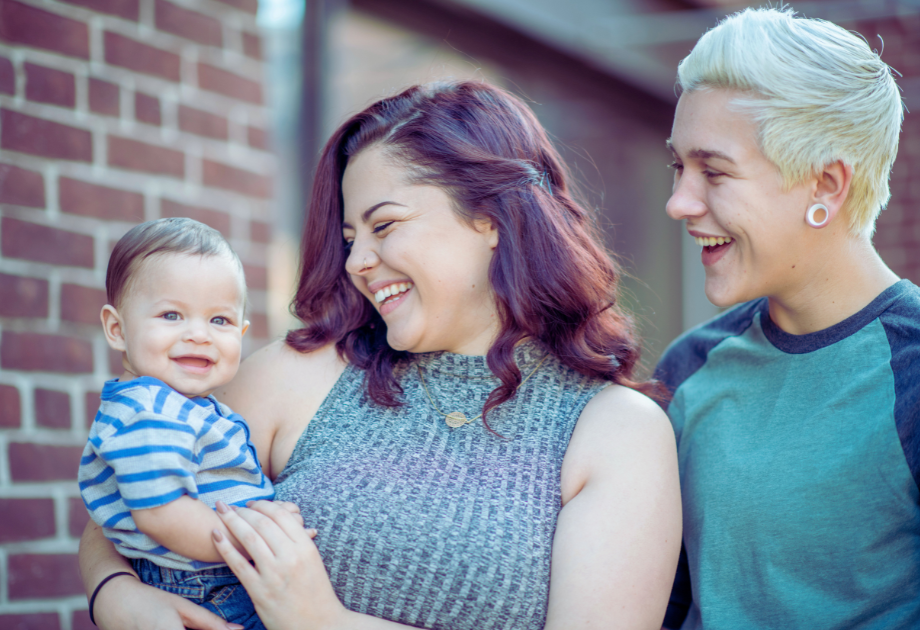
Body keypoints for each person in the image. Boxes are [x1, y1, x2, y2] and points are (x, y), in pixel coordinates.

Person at [79, 81, 682, 630]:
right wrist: (117, 596)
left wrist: (319, 620)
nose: (356, 262)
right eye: (349, 238)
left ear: (490, 218)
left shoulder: (614, 431)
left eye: (384, 226)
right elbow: (135, 495)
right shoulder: (299, 372)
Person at [657, 7, 920, 630]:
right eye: (677, 167)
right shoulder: (689, 367)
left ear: (826, 185)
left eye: (714, 171)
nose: (678, 202)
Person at [78, 218, 280, 629]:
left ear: (242, 332)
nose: (199, 334)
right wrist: (253, 538)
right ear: (117, 329)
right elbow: (162, 513)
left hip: (210, 579)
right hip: (197, 587)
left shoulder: (184, 405)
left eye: (219, 321)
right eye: (172, 315)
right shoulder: (148, 412)